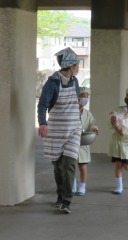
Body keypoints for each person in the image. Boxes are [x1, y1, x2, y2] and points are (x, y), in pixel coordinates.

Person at [37, 47, 81, 214]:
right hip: (55, 131)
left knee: (69, 164)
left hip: (73, 131)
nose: (78, 67)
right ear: (70, 65)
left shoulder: (75, 82)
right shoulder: (52, 83)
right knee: (58, 167)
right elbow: (42, 104)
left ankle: (67, 200)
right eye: (76, 64)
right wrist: (42, 123)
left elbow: (76, 104)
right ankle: (60, 195)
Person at [72, 87, 99, 196]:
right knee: (71, 166)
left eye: (87, 96)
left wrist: (94, 128)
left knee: (82, 165)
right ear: (77, 96)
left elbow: (92, 124)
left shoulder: (88, 114)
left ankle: (82, 186)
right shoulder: (70, 111)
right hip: (71, 142)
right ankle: (72, 185)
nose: (85, 98)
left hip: (83, 143)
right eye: (83, 95)